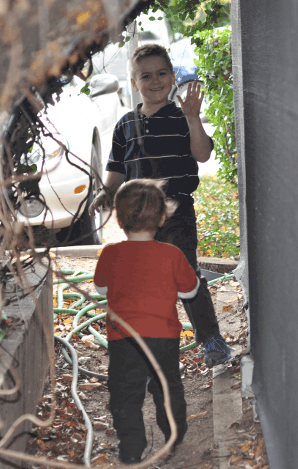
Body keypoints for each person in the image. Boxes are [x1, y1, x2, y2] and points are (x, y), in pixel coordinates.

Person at [89, 43, 231, 368]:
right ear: (134, 81)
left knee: (187, 275)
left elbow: (202, 154)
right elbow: (116, 172)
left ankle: (211, 339)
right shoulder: (125, 126)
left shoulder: (183, 117)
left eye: (162, 73)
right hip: (139, 218)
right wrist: (106, 195)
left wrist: (194, 118)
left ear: (172, 76)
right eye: (146, 76)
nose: (155, 81)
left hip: (178, 210)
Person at [94, 179, 199, 464]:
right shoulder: (172, 255)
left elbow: (100, 289)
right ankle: (174, 436)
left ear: (118, 218)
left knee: (125, 392)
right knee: (167, 386)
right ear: (163, 217)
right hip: (163, 338)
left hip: (123, 339)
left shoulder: (111, 254)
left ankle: (131, 446)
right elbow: (190, 291)